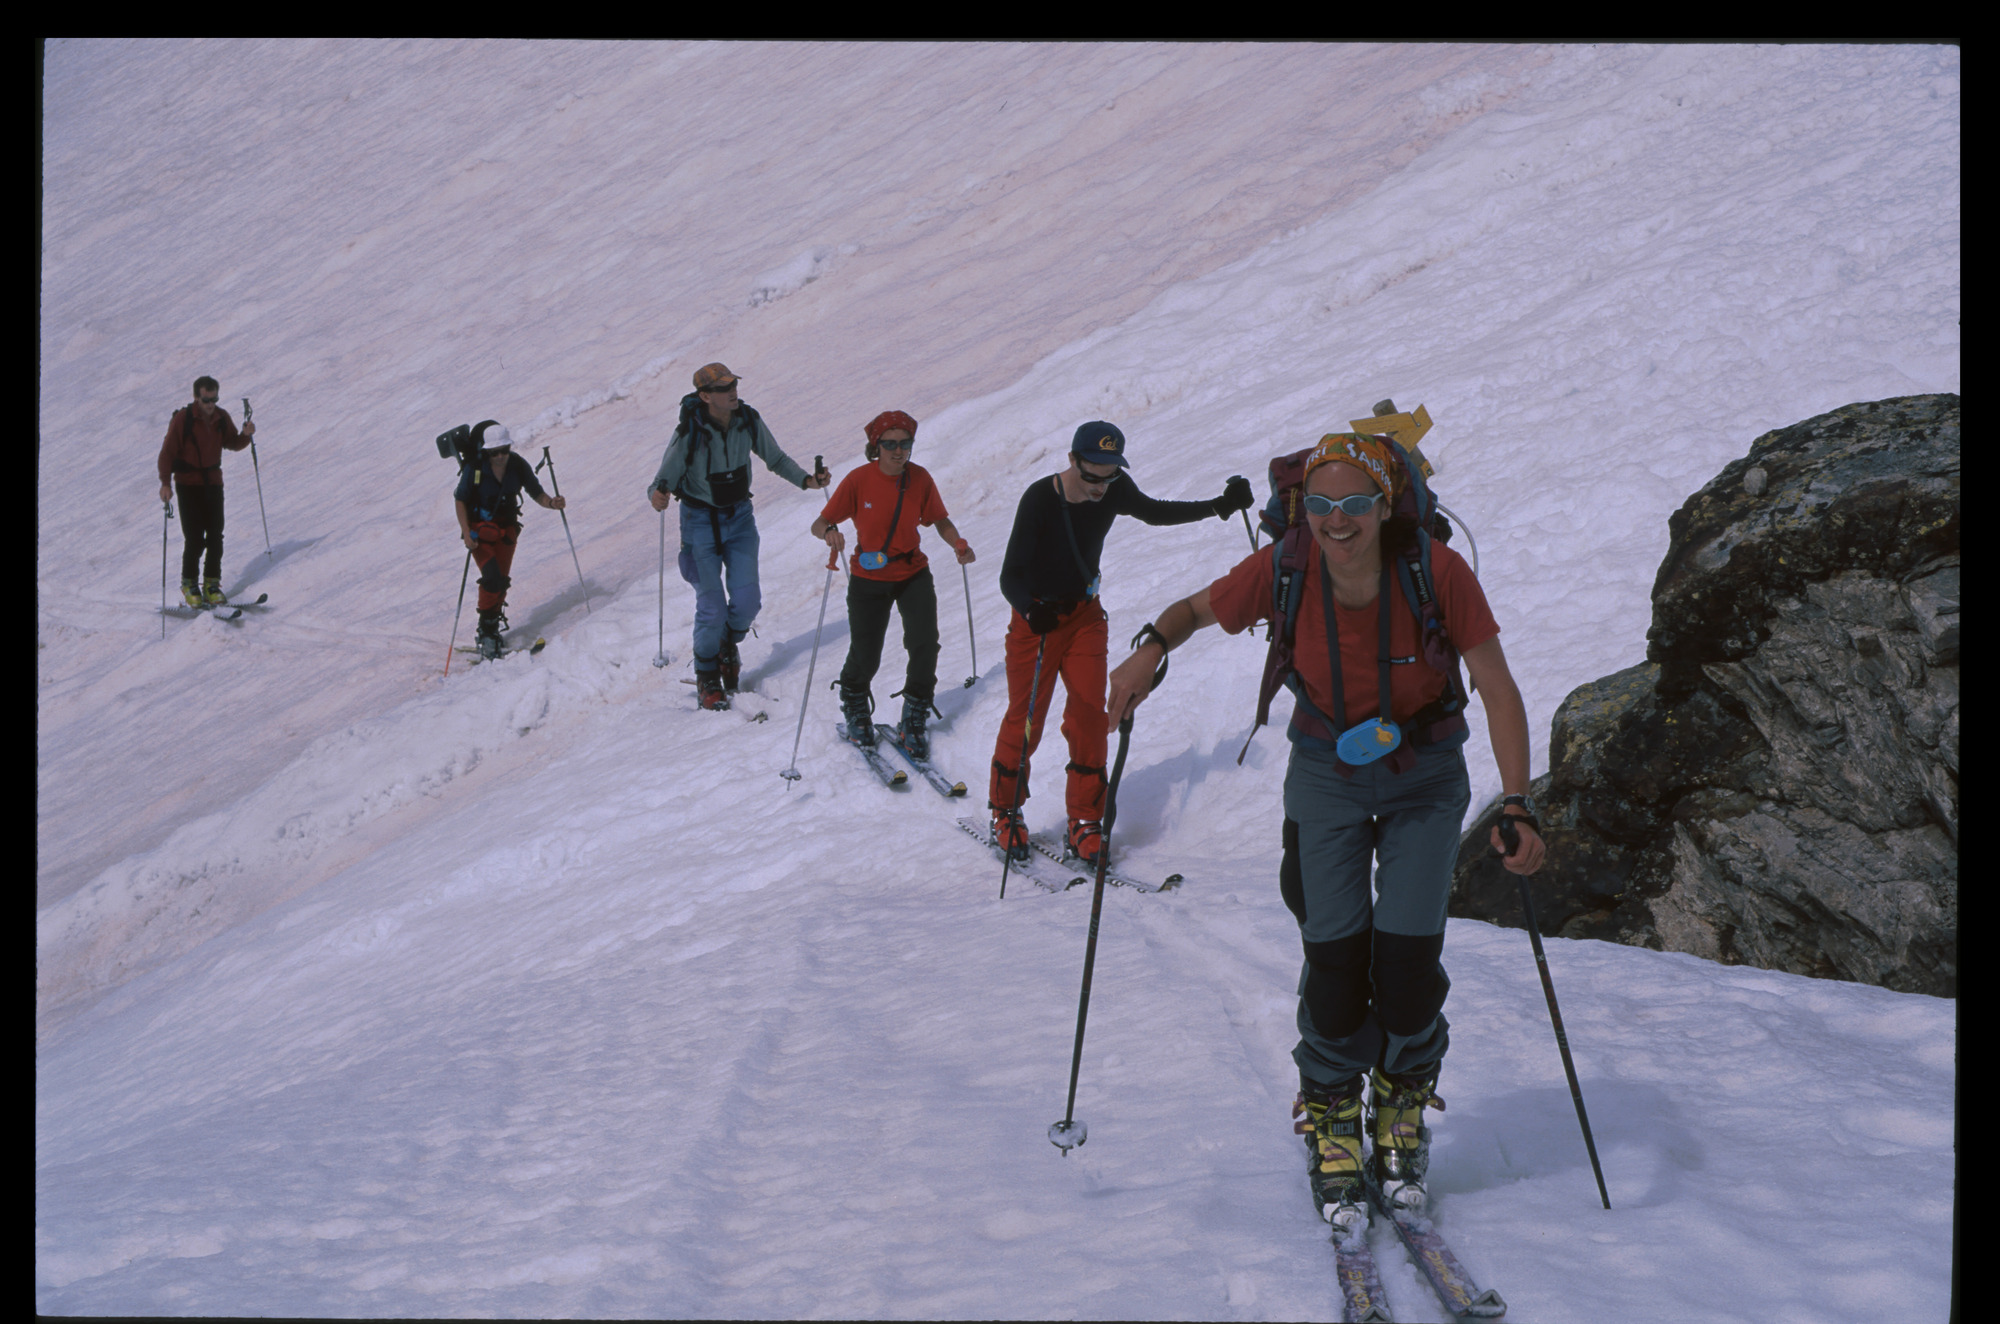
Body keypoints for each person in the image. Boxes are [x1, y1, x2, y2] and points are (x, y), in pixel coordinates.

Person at [1102, 429, 1546, 1236]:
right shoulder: (1285, 566)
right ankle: (1333, 1118)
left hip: (1424, 775)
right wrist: (1148, 653)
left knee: (1407, 968)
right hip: (1326, 771)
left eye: (1354, 503)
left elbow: (1497, 686)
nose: (1337, 520)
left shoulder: (1436, 571)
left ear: (1385, 504)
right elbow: (1196, 610)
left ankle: (1401, 1111)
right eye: (1319, 504)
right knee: (1336, 964)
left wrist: (1516, 803)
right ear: (1301, 508)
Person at [988, 421, 1254, 867]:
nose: (1101, 486)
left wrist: (1220, 507)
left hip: (1085, 618)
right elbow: (1010, 574)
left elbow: (1154, 512)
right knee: (1027, 716)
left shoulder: (1114, 487)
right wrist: (1031, 610)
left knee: (1091, 715)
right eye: (1092, 475)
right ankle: (1005, 809)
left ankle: (1085, 819)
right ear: (1072, 461)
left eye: (1110, 474)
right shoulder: (1040, 499)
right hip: (1037, 622)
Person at [647, 363, 830, 710]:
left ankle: (725, 645)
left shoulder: (747, 419)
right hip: (699, 523)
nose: (732, 391)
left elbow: (775, 458)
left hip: (740, 518)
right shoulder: (690, 431)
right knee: (712, 606)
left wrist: (807, 480)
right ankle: (707, 673)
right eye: (723, 388)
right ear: (705, 396)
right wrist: (657, 496)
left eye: (733, 384)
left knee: (747, 602)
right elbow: (661, 480)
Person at [810, 411, 976, 760]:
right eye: (890, 444)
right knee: (866, 651)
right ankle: (854, 700)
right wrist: (830, 533)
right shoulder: (858, 480)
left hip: (912, 572)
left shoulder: (920, 478)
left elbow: (940, 520)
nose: (899, 451)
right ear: (876, 446)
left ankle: (915, 711)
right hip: (869, 578)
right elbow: (820, 522)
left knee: (924, 643)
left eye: (905, 443)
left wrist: (958, 543)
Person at [453, 422, 566, 659]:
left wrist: (551, 503)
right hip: (479, 533)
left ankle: (492, 630)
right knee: (492, 578)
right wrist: (466, 531)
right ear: (487, 451)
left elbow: (536, 492)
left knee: (501, 581)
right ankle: (486, 633)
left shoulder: (517, 465)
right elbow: (460, 499)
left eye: (504, 450)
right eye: (495, 452)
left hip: (506, 532)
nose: (500, 456)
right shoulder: (475, 469)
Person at [156, 375, 255, 606]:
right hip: (187, 484)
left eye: (214, 399)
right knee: (194, 538)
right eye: (206, 400)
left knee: (216, 536)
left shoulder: (221, 417)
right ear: (196, 397)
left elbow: (232, 443)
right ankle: (189, 583)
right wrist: (165, 483)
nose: (210, 405)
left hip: (213, 483)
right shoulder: (183, 419)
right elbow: (167, 453)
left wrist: (246, 435)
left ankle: (211, 584)